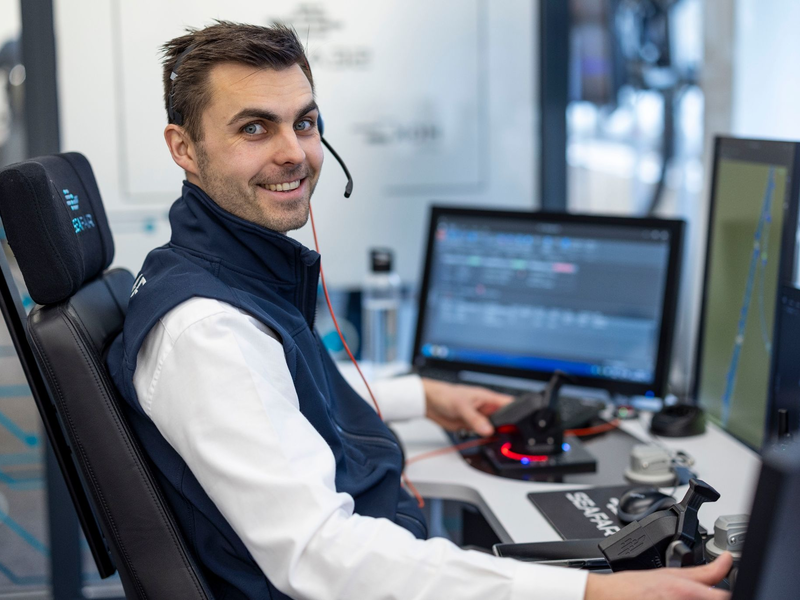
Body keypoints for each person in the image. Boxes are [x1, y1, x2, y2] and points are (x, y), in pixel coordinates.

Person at [107, 21, 732, 600]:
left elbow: (278, 393)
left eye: (304, 122)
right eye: (254, 128)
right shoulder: (209, 329)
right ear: (184, 148)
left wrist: (423, 396)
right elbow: (320, 555)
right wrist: (587, 593)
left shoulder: (218, 275)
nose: (294, 152)